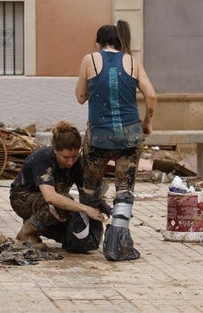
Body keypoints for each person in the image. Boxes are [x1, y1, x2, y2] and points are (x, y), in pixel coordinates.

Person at [75, 20, 157, 260]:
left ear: (98, 43)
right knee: (124, 189)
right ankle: (117, 246)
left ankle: (85, 237)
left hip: (99, 134)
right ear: (120, 42)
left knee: (90, 187)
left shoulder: (89, 60)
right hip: (130, 134)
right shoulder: (133, 62)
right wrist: (147, 122)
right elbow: (151, 95)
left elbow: (81, 97)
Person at [10, 121, 106, 249]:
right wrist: (85, 209)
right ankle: (26, 233)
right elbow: (50, 197)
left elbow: (88, 191)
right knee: (64, 203)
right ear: (55, 150)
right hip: (23, 200)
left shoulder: (78, 162)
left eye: (74, 156)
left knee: (76, 240)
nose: (71, 162)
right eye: (65, 157)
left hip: (49, 203)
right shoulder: (42, 159)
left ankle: (39, 226)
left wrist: (100, 207)